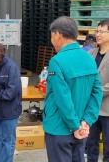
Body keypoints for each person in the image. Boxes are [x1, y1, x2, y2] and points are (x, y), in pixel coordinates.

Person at [42, 16, 103, 162]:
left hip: (59, 128)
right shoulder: (88, 58)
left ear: (57, 34)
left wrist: (74, 126)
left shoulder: (57, 61)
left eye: (52, 36)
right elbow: (97, 92)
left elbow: (62, 98)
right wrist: (86, 121)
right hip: (81, 128)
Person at [87, 19, 109, 162]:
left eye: (102, 31)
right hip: (91, 109)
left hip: (107, 109)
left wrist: (95, 92)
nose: (98, 35)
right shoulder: (91, 53)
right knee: (91, 143)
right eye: (97, 31)